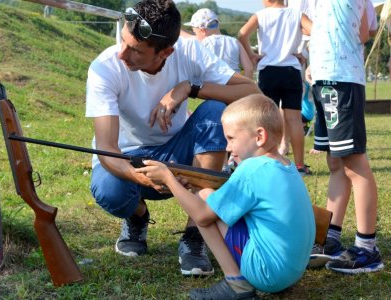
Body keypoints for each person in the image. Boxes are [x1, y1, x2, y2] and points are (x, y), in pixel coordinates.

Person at [85, 0, 260, 277]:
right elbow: (106, 149)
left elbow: (252, 92)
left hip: (177, 152)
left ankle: (195, 234)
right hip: (128, 158)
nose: (122, 54)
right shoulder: (105, 68)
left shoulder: (190, 51)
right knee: (109, 191)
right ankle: (137, 217)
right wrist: (138, 176)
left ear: (166, 52)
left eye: (135, 50)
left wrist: (189, 87)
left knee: (215, 110)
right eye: (123, 41)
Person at [135, 94, 315, 299]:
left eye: (231, 138)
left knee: (204, 201)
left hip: (268, 274)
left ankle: (236, 284)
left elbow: (202, 216)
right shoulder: (286, 166)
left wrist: (168, 179)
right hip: (291, 273)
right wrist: (191, 186)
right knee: (207, 196)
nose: (227, 148)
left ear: (259, 137)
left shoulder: (251, 170)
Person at [307, 0, 384, 274]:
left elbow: (366, 31)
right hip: (322, 78)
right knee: (336, 162)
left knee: (354, 163)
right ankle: (331, 238)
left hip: (342, 78)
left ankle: (367, 248)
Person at [238, 0, 312, 176]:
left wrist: (251, 55)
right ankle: (300, 165)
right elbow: (315, 31)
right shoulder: (296, 14)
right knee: (294, 119)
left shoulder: (260, 15)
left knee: (265, 118)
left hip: (268, 70)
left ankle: (267, 160)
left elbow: (242, 35)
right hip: (291, 70)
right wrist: (304, 53)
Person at [181, 8, 254, 80]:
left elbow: (188, 38)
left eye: (195, 32)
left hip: (212, 89)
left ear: (202, 31)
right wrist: (244, 88)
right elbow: (249, 69)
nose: (195, 35)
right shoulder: (235, 42)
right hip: (235, 87)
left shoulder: (202, 44)